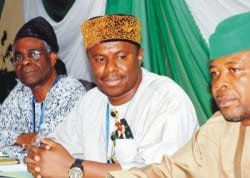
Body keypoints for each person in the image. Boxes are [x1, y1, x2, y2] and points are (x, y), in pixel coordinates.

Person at [107, 10, 250, 178]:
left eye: (233, 70)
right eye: (215, 73)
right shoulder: (216, 130)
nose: (219, 84)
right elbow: (168, 173)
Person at [25, 14, 199, 178]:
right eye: (100, 59)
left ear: (139, 56)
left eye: (121, 57)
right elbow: (55, 146)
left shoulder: (167, 99)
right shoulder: (92, 100)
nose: (110, 69)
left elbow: (155, 173)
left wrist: (75, 169)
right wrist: (41, 157)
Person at [0, 16, 86, 160]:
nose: (25, 62)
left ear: (52, 59)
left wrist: (14, 143)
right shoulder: (20, 91)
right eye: (18, 57)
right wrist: (21, 138)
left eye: (34, 54)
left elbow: (51, 146)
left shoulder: (70, 90)